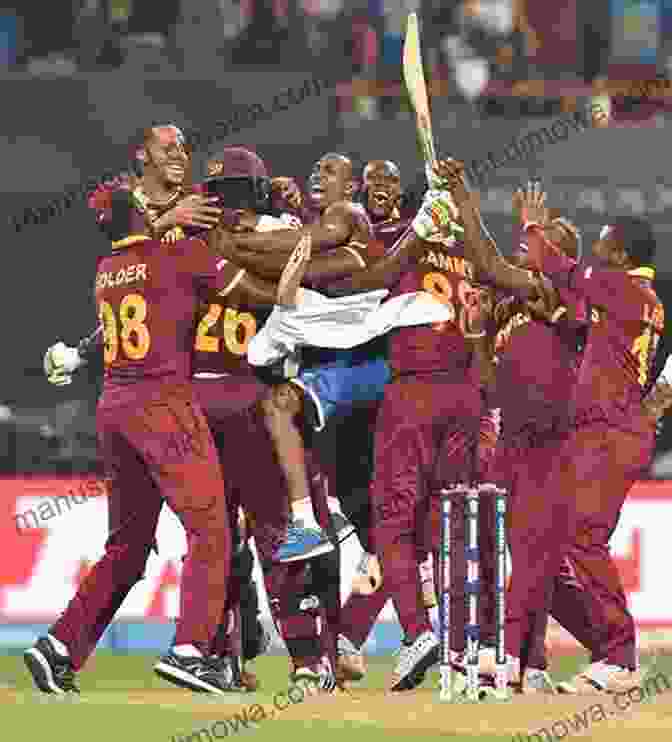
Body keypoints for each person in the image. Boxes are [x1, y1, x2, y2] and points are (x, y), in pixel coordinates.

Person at [440, 160, 664, 692]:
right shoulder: (602, 300)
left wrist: (514, 223)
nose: (595, 250)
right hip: (562, 432)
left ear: (621, 252)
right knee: (544, 547)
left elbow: (531, 268)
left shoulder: (612, 290)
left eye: (602, 241)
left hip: (584, 433)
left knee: (570, 540)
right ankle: (533, 660)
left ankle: (608, 657)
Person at [24, 208, 253, 694]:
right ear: (143, 216)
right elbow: (255, 293)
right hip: (164, 404)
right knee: (212, 529)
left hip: (114, 407)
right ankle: (189, 651)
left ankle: (59, 646)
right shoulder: (178, 254)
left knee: (127, 547)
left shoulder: (108, 268)